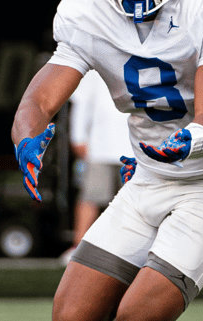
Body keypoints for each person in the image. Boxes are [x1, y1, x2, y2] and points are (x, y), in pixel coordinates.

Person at [11, 0, 203, 319]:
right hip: (146, 181)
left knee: (136, 316)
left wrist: (190, 140)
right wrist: (27, 135)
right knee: (71, 314)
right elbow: (38, 99)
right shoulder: (84, 11)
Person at [63, 70, 133, 261]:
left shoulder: (148, 58)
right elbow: (82, 103)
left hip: (137, 149)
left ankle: (132, 250)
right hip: (100, 147)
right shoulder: (96, 65)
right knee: (90, 198)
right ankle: (77, 248)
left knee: (136, 204)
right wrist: (78, 137)